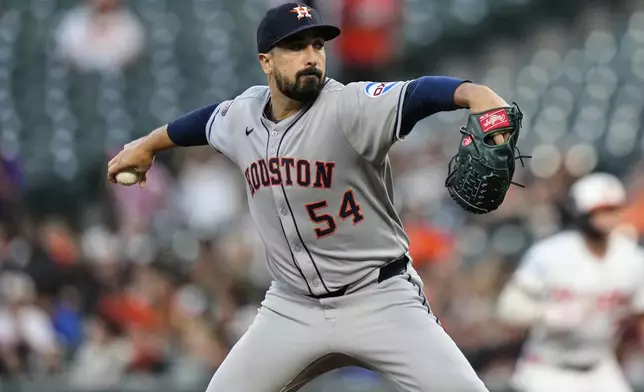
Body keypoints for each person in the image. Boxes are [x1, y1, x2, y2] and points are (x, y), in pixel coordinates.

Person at [107, 3, 514, 391]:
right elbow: (200, 123)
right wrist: (148, 145)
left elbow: (419, 93)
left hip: (379, 297)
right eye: (296, 46)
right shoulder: (242, 115)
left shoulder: (350, 106)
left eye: (317, 45)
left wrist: (474, 94)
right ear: (266, 61)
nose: (310, 56)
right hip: (292, 307)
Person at [496, 172, 644, 392]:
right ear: (581, 212)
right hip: (548, 367)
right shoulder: (551, 253)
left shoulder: (632, 257)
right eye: (601, 210)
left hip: (601, 368)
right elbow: (507, 308)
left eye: (613, 209)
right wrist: (547, 314)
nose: (608, 217)